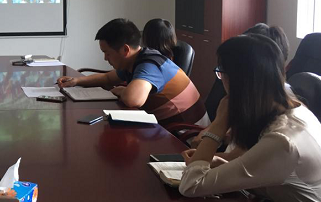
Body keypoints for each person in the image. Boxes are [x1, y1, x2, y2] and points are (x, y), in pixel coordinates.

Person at [179, 34, 321, 202]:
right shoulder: (293, 110)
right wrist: (222, 161)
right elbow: (261, 165)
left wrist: (219, 123)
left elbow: (191, 185)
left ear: (236, 79)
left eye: (221, 72)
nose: (220, 79)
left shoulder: (283, 140)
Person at [57, 18, 208, 128]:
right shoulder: (135, 60)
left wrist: (122, 90)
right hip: (167, 127)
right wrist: (77, 81)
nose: (105, 58)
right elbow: (108, 78)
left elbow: (133, 99)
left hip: (187, 135)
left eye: (107, 53)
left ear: (125, 50)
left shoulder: (150, 64)